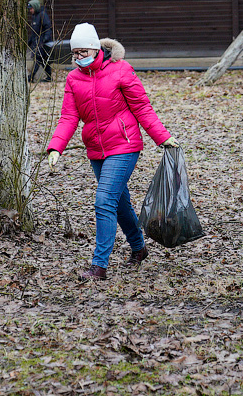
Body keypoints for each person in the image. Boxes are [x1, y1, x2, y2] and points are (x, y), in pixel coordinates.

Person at [46, 23, 177, 280]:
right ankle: (139, 248)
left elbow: (142, 107)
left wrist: (162, 137)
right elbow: (69, 117)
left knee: (104, 200)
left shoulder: (121, 70)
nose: (79, 57)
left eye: (83, 52)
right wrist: (56, 147)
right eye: (75, 53)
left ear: (96, 49)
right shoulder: (73, 79)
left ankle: (99, 266)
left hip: (124, 145)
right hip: (96, 149)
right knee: (119, 203)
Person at [27, 0, 53, 82]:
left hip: (42, 43)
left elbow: (48, 28)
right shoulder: (35, 16)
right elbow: (34, 32)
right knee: (43, 60)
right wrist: (30, 41)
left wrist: (45, 39)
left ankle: (31, 77)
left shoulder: (42, 15)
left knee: (38, 59)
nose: (30, 11)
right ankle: (49, 77)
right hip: (37, 42)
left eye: (31, 9)